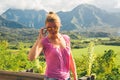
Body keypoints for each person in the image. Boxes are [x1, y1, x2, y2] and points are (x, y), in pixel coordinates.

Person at [28, 11, 77, 80]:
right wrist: (39, 39)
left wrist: (75, 76)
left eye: (55, 27)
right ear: (46, 28)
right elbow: (31, 58)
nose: (52, 30)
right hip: (51, 78)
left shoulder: (66, 38)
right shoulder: (45, 41)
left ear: (59, 25)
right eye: (49, 28)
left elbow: (70, 59)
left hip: (67, 77)